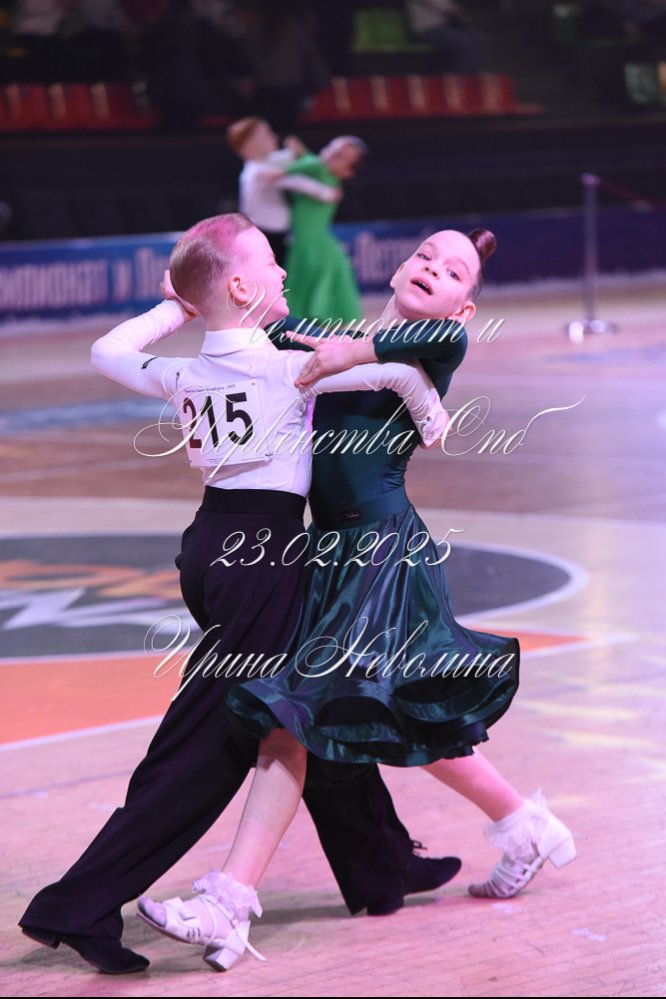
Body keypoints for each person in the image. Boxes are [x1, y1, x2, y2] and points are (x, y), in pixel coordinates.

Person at [18, 213, 458, 976]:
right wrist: (432, 413)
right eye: (270, 263)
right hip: (265, 557)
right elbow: (395, 373)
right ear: (247, 288)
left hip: (211, 546)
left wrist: (176, 310)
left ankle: (380, 861)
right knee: (214, 743)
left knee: (309, 703)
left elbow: (106, 350)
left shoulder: (187, 371)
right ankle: (78, 903)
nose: (286, 271)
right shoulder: (282, 367)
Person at [138, 228, 575, 970]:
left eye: (454, 271)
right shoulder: (337, 335)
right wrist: (194, 296)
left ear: (464, 307)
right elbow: (264, 320)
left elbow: (407, 346)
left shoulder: (440, 343)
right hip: (332, 553)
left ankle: (229, 902)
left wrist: (359, 356)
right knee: (396, 715)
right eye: (425, 256)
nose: (433, 269)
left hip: (382, 554)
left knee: (294, 719)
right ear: (399, 267)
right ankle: (524, 823)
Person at [227, 116, 340, 268]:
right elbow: (297, 182)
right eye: (266, 135)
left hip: (275, 235)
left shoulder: (265, 163)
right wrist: (327, 193)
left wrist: (296, 152)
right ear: (249, 147)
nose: (274, 137)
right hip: (266, 237)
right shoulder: (256, 173)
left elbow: (284, 159)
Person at [282, 135, 367, 325]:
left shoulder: (323, 174)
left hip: (313, 245)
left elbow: (295, 169)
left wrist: (296, 156)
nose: (332, 154)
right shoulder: (321, 172)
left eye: (340, 156)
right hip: (310, 242)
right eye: (332, 148)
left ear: (347, 172)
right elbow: (312, 162)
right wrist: (301, 151)